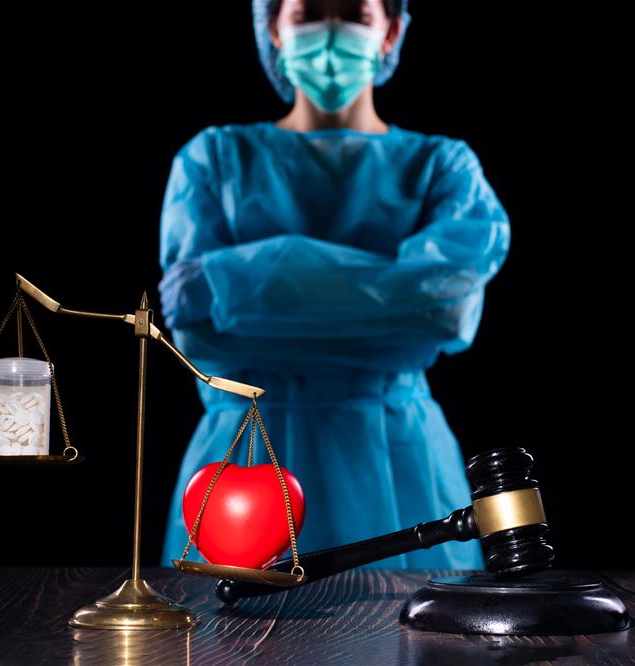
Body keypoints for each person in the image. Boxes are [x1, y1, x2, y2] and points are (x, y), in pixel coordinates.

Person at [157, 0, 511, 570]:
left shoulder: (442, 165)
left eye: (353, 13)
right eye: (307, 13)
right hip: (243, 467)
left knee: (411, 621)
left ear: (391, 30)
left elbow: (446, 310)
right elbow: (194, 324)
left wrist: (240, 280)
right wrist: (394, 289)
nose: (329, 32)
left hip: (399, 464)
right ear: (272, 27)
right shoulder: (213, 159)